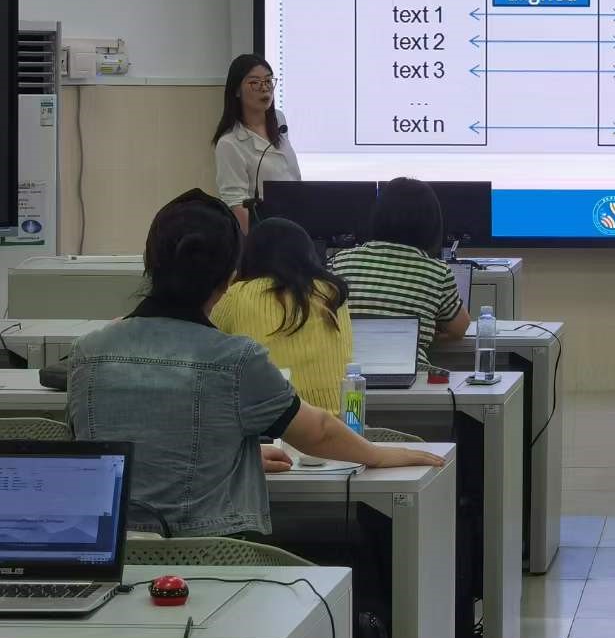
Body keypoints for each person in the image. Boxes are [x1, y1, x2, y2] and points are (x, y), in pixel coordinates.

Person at [66, 189, 442, 537]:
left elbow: (112, 450)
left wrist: (230, 454)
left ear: (150, 263)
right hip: (213, 559)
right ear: (229, 277)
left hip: (108, 556)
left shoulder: (87, 352)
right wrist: (377, 454)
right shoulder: (236, 360)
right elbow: (318, 432)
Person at [212, 216, 353, 416]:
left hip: (273, 423)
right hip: (340, 422)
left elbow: (204, 345)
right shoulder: (333, 293)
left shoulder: (237, 295)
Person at [331, 177, 471, 367]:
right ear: (432, 225)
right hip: (408, 374)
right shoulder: (437, 272)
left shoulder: (340, 262)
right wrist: (424, 330)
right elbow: (460, 328)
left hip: (344, 373)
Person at [212, 53, 300, 232]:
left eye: (268, 81)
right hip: (264, 231)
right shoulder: (229, 143)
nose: (264, 88)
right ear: (237, 91)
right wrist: (260, 240)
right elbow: (236, 203)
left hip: (296, 222)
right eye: (255, 82)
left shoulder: (279, 120)